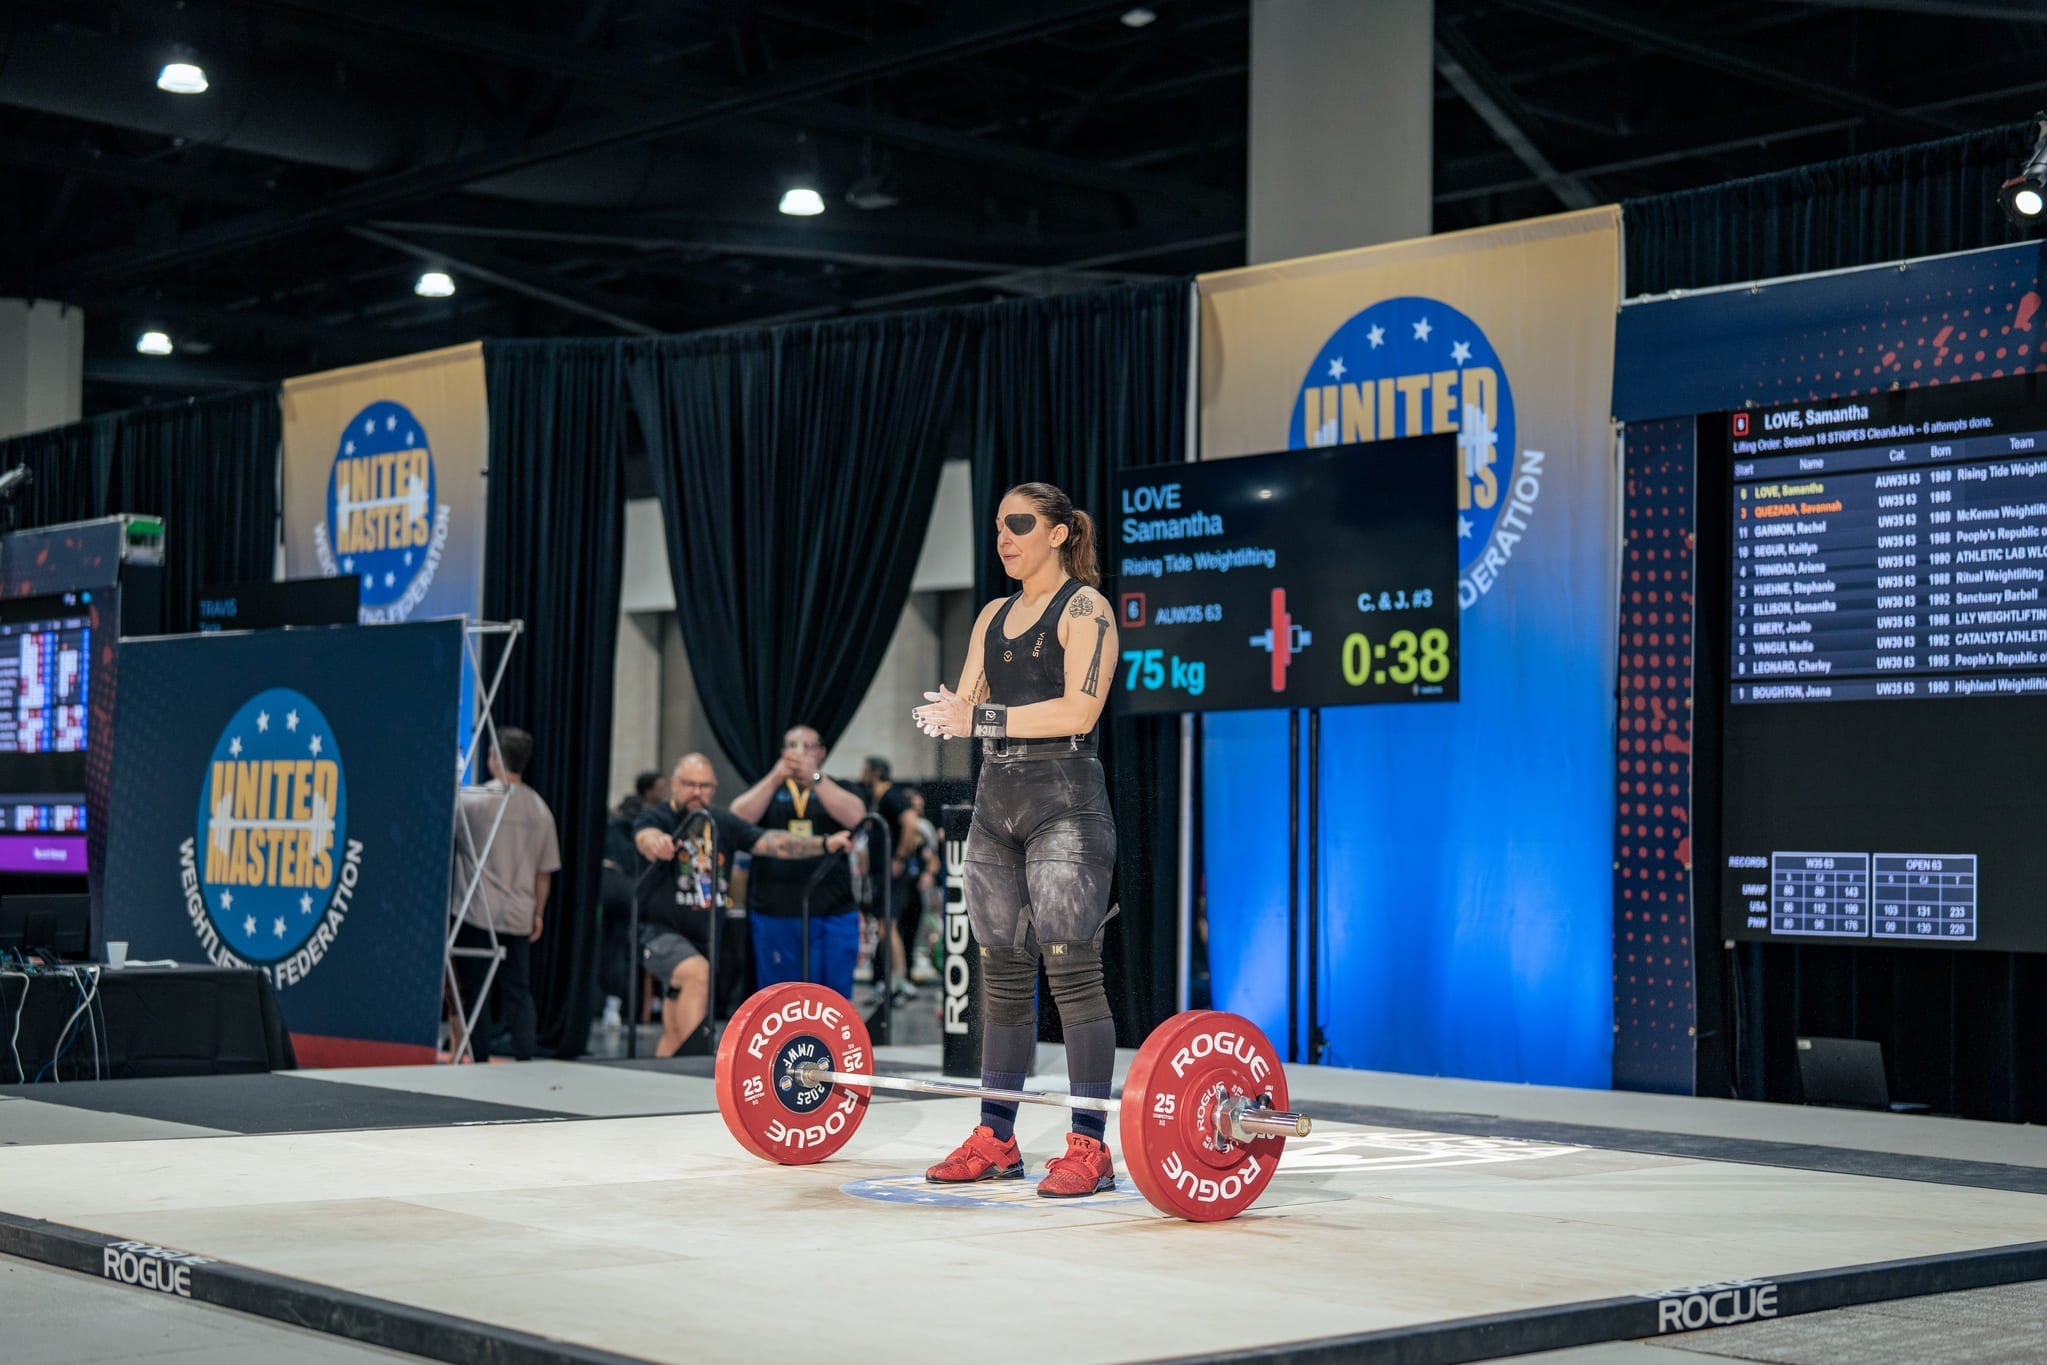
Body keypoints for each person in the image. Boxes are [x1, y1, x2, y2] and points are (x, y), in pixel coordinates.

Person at [912, 481, 1121, 1199]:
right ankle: (996, 1139)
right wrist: (950, 712)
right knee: (1001, 976)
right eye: (999, 524)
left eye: (1020, 524)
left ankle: (1089, 1147)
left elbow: (1079, 710)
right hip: (996, 803)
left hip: (1065, 801)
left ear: (1058, 533)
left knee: (1072, 972)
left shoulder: (1086, 609)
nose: (1004, 536)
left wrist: (976, 719)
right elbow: (969, 704)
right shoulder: (991, 615)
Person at [633, 752, 852, 1057]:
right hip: (659, 933)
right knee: (698, 973)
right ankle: (696, 1063)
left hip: (702, 938)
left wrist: (824, 844)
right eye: (689, 784)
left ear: (714, 788)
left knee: (675, 1029)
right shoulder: (658, 817)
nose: (697, 792)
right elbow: (646, 837)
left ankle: (665, 1073)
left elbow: (774, 843)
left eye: (705, 786)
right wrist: (656, 843)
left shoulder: (721, 822)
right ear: (674, 784)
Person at [449, 727, 561, 1063]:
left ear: (495, 757)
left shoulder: (471, 800)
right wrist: (538, 913)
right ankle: (525, 1055)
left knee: (475, 992)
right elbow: (544, 873)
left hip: (476, 911)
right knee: (518, 990)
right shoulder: (540, 810)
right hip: (519, 914)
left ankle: (478, 1058)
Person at [730, 726, 868, 998]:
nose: (799, 753)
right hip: (776, 908)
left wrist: (815, 777)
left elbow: (857, 817)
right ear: (783, 753)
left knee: (832, 998)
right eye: (792, 746)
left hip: (831, 907)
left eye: (807, 746)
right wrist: (775, 777)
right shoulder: (770, 789)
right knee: (780, 999)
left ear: (821, 753)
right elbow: (737, 819)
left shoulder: (839, 786)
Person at [597, 770, 667, 1031]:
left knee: (610, 945)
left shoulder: (615, 820)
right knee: (627, 947)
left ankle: (612, 1005)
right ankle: (628, 1006)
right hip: (630, 889)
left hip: (610, 886)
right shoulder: (648, 822)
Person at [858, 755, 924, 1002]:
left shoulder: (891, 796)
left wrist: (900, 858)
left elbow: (911, 823)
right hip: (880, 874)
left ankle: (899, 982)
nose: (862, 775)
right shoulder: (878, 799)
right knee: (884, 928)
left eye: (865, 770)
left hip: (892, 874)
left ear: (875, 772)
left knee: (888, 927)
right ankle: (890, 981)